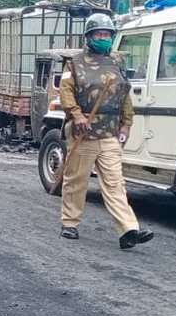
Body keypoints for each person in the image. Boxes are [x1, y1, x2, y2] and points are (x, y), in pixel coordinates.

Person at [59, 13, 154, 250]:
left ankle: (128, 230)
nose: (103, 38)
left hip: (109, 134)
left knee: (115, 183)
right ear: (89, 37)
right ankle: (70, 222)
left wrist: (127, 124)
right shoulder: (73, 63)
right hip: (84, 132)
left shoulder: (116, 63)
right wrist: (77, 115)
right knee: (76, 180)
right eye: (98, 34)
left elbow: (125, 97)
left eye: (107, 34)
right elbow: (66, 92)